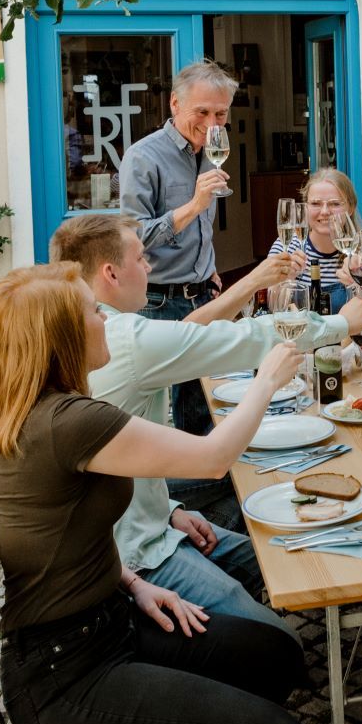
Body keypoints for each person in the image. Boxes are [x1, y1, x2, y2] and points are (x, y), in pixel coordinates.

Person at [0, 263, 306, 724]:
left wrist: (132, 583)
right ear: (62, 336)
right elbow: (212, 460)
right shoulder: (72, 421)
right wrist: (267, 381)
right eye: (92, 311)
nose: (106, 318)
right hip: (67, 680)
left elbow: (59, 537)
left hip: (108, 623)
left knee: (277, 657)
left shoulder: (46, 409)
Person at [53, 215, 362, 583]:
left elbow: (187, 333)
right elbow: (245, 340)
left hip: (140, 519)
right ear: (110, 273)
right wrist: (341, 324)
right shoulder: (125, 335)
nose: (149, 266)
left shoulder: (94, 327)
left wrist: (169, 509)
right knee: (275, 630)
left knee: (250, 492)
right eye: (141, 258)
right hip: (135, 554)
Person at [118, 57, 238, 439]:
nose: (212, 123)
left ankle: (208, 485)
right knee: (165, 417)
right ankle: (175, 494)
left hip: (203, 293)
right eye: (202, 111)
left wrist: (209, 268)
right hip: (160, 302)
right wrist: (193, 206)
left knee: (206, 403)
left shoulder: (209, 151)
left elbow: (201, 231)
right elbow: (133, 238)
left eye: (221, 114)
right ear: (174, 104)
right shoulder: (143, 156)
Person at [267, 168, 358, 312]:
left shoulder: (360, 249)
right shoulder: (286, 246)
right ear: (306, 208)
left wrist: (358, 283)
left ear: (350, 208)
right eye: (316, 204)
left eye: (335, 204)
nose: (325, 211)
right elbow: (272, 306)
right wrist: (287, 278)